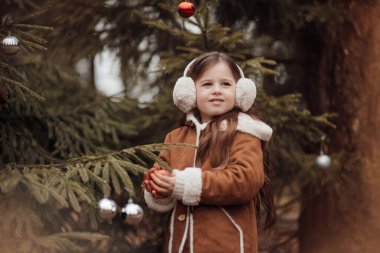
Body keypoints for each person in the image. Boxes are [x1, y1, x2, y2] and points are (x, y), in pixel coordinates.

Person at [142, 51, 275, 253]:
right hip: (181, 245)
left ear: (240, 92)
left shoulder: (244, 133)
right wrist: (159, 186)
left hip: (226, 245)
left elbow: (245, 180)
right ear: (189, 93)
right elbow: (163, 175)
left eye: (225, 84)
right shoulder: (175, 138)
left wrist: (183, 183)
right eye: (207, 84)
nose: (216, 90)